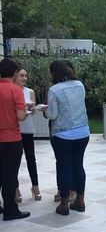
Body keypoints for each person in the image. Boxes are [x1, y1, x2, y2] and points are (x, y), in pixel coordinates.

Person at [45, 60, 90, 216]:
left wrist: (44, 111)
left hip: (63, 133)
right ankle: (80, 200)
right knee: (78, 166)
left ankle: (64, 204)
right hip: (82, 131)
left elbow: (52, 114)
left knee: (64, 167)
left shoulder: (54, 90)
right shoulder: (79, 85)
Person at [0, 58, 30, 221]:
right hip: (11, 139)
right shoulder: (15, 90)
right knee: (10, 176)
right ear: (14, 73)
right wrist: (26, 111)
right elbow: (20, 116)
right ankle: (10, 210)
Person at [13, 65, 42, 202]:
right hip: (15, 129)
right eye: (21, 76)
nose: (24, 78)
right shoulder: (11, 90)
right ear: (15, 76)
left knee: (31, 158)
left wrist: (33, 109)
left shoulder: (30, 92)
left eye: (25, 76)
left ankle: (35, 187)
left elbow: (33, 111)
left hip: (28, 129)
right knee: (15, 161)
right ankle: (15, 188)